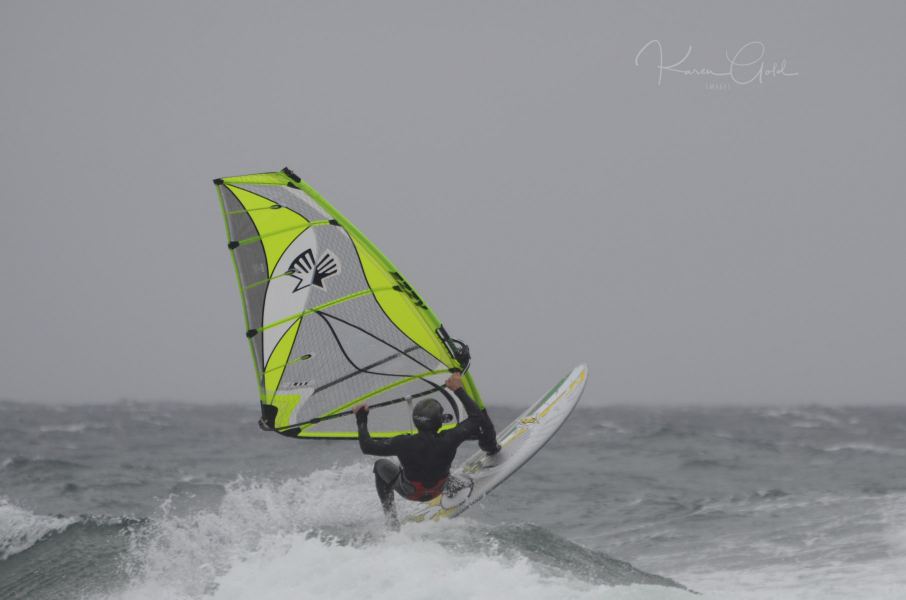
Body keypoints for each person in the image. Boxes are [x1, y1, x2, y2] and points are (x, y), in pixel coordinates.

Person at [353, 372, 500, 529]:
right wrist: (458, 389)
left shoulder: (403, 442)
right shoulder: (450, 438)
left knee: (380, 465)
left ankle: (392, 521)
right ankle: (489, 449)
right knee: (471, 436)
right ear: (440, 421)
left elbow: (367, 446)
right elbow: (477, 417)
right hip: (439, 488)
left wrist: (361, 418)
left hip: (411, 492)